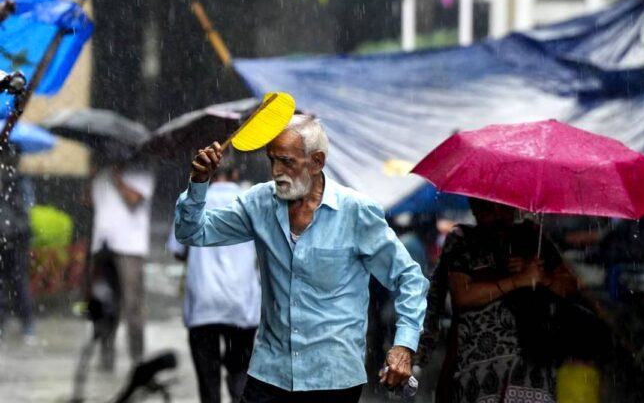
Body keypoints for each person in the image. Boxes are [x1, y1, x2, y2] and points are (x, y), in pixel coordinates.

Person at [174, 114, 429, 403]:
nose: (276, 171)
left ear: (317, 162)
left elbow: (409, 278)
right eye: (272, 160)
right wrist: (198, 182)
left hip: (332, 377)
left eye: (287, 162)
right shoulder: (259, 203)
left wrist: (404, 346)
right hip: (270, 373)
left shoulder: (356, 212)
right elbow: (191, 232)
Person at [445, 198, 578, 403]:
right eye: (489, 208)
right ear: (475, 209)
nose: (498, 215)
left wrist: (543, 278)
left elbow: (569, 287)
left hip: (533, 364)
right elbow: (463, 296)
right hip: (478, 370)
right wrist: (518, 280)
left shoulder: (532, 236)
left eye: (504, 207)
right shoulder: (463, 240)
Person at [167, 156, 261, 403]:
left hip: (203, 303)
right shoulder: (251, 202)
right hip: (241, 304)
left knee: (208, 386)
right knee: (241, 377)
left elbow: (178, 250)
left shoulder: (191, 202)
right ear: (235, 175)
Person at [90, 161, 155, 369]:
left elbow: (134, 199)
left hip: (130, 248)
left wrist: (118, 180)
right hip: (103, 247)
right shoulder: (101, 173)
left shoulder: (143, 172)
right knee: (106, 301)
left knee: (132, 305)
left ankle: (138, 358)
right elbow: (89, 201)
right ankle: (106, 354)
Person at [0, 144, 36, 344]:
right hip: (3, 237)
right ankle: (2, 322)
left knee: (19, 281)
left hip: (17, 238)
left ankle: (27, 324)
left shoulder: (20, 182)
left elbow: (25, 212)